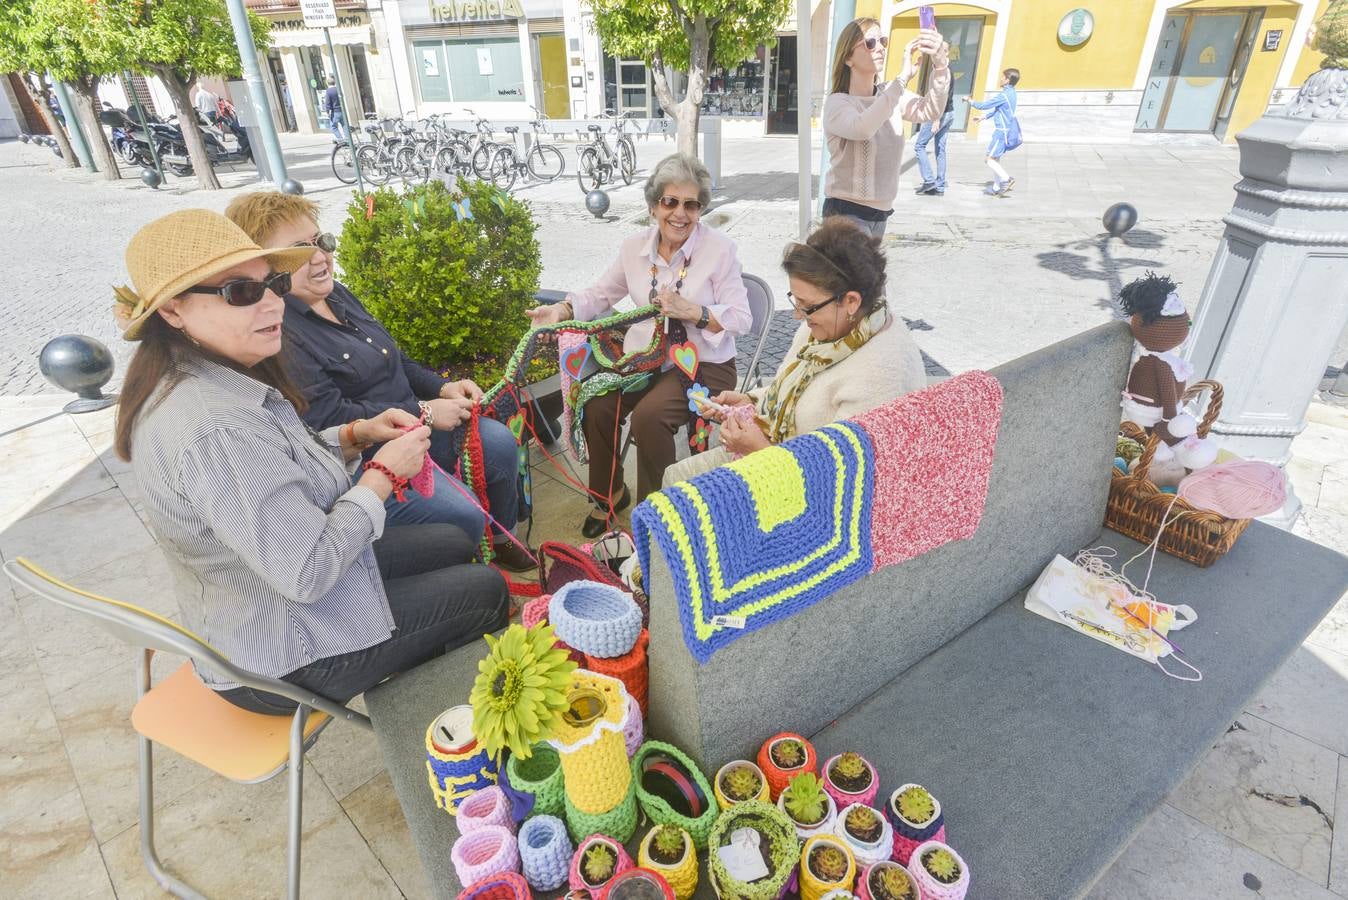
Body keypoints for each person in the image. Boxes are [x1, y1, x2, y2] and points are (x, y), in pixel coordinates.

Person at [111, 209, 508, 714]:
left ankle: (429, 677)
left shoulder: (202, 373)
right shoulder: (215, 426)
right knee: (484, 590)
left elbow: (280, 464)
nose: (273, 302)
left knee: (453, 540)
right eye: (240, 292)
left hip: (271, 592)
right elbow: (309, 571)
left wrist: (355, 435)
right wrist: (384, 475)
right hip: (279, 654)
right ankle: (439, 731)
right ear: (173, 311)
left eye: (271, 282)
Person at [224, 192, 535, 572]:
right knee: (463, 513)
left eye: (321, 241)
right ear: (265, 266)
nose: (320, 257)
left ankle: (501, 539)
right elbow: (329, 418)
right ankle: (466, 572)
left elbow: (395, 359)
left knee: (500, 444)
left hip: (418, 429)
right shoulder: (279, 333)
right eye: (299, 251)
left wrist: (441, 388)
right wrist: (423, 411)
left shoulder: (338, 294)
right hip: (373, 457)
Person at [525, 153, 753, 537]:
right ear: (653, 206)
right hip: (642, 360)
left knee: (649, 418)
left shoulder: (719, 250)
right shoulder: (634, 248)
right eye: (670, 202)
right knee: (596, 405)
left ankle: (659, 516)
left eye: (691, 204)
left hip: (703, 364)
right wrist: (562, 309)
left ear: (701, 209)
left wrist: (693, 311)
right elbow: (602, 292)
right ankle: (609, 495)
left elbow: (742, 318)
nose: (680, 214)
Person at [664, 218, 928, 486]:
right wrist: (751, 400)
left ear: (851, 301)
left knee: (679, 496)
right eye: (796, 301)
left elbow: (843, 481)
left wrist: (760, 451)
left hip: (807, 491)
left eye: (807, 306)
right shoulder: (833, 327)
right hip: (781, 455)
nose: (797, 315)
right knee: (674, 479)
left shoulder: (881, 372)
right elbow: (794, 390)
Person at [821, 18, 951, 237]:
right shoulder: (838, 103)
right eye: (870, 43)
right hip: (845, 212)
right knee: (859, 272)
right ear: (848, 58)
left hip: (881, 212)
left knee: (864, 272)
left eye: (883, 40)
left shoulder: (889, 94)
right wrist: (901, 81)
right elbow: (862, 128)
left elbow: (930, 110)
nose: (880, 47)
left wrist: (940, 66)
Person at [967, 68, 1021, 196]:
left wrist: (969, 101)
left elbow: (983, 105)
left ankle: (1006, 179)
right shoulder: (1012, 93)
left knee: (989, 159)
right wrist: (983, 117)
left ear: (1007, 80)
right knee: (995, 159)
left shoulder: (1003, 95)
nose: (1000, 79)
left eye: (1003, 77)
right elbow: (999, 110)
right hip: (1005, 131)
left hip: (1000, 133)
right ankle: (996, 188)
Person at [913, 82, 956, 196]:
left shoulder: (941, 70)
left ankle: (929, 181)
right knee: (940, 149)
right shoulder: (947, 70)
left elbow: (941, 94)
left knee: (919, 146)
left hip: (938, 114)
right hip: (950, 113)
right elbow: (935, 92)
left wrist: (936, 117)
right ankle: (940, 186)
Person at [324, 76, 345, 142]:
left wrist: (327, 112)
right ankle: (348, 140)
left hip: (335, 112)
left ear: (327, 83)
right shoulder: (338, 89)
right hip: (342, 110)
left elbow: (327, 103)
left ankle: (341, 140)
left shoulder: (328, 91)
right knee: (344, 126)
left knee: (333, 127)